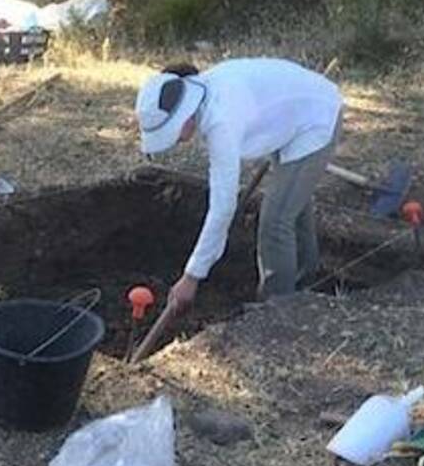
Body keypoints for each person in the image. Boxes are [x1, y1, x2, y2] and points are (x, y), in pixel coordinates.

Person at [134, 58, 343, 312]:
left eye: (172, 133)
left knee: (275, 222)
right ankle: (305, 281)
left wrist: (191, 277)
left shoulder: (220, 119)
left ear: (183, 116)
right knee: (292, 205)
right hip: (292, 117)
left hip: (316, 118)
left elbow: (223, 206)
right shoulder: (204, 92)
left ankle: (276, 309)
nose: (175, 141)